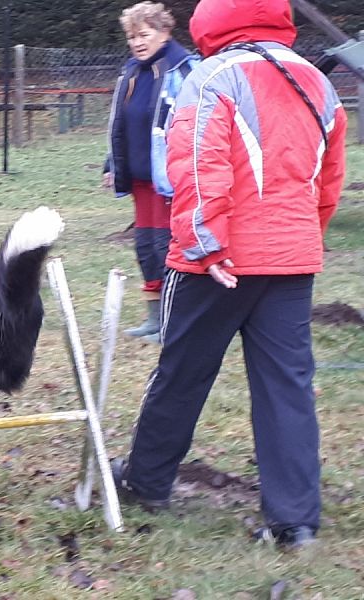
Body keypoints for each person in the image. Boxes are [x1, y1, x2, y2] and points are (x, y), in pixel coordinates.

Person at [110, 0, 347, 551]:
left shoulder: (212, 74)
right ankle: (295, 522)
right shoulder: (318, 80)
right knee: (287, 385)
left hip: (216, 261)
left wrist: (202, 241)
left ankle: (145, 482)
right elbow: (329, 178)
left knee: (182, 371)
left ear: (211, 22)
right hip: (291, 259)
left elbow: (197, 159)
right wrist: (302, 236)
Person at [104, 2, 199, 344]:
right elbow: (120, 123)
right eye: (131, 36)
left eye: (143, 34)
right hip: (139, 175)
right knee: (145, 245)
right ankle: (153, 318)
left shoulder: (185, 70)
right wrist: (111, 164)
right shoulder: (131, 71)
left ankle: (175, 320)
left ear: (164, 32)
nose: (136, 42)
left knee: (166, 244)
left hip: (170, 175)